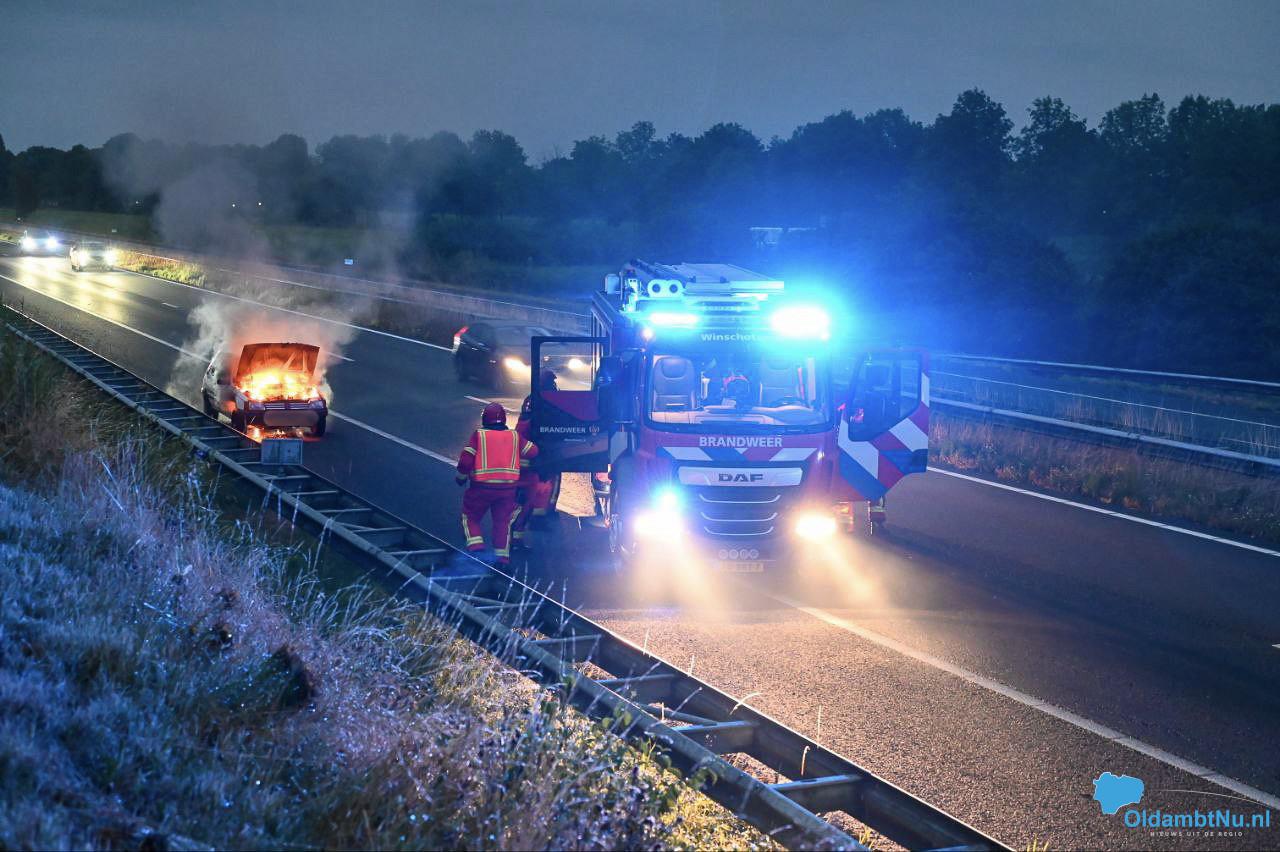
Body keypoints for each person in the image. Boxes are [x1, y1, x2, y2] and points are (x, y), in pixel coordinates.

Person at [456, 402, 537, 565]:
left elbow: (466, 460)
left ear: (485, 419)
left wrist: (461, 477)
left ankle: (476, 549)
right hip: (507, 490)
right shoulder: (514, 436)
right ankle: (502, 559)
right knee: (502, 523)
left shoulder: (479, 436)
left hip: (481, 489)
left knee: (470, 518)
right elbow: (533, 451)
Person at [512, 369, 558, 548]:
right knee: (526, 499)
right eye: (551, 383)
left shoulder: (534, 399)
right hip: (533, 458)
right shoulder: (542, 400)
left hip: (536, 455)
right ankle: (515, 536)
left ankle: (533, 521)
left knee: (539, 492)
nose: (554, 386)